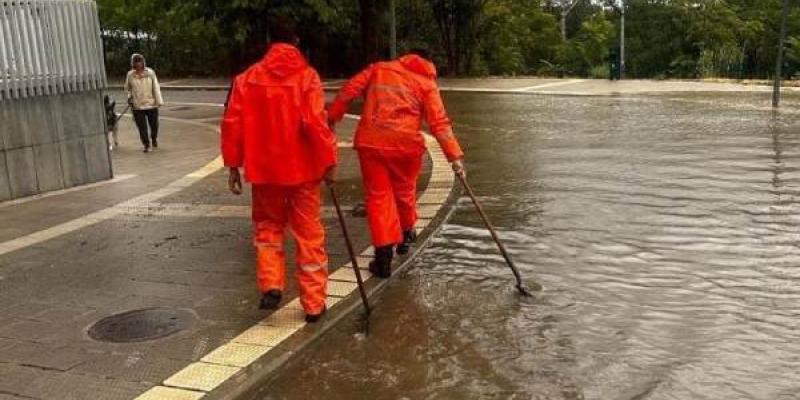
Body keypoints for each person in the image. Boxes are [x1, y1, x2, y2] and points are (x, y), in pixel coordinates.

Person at [221, 21, 337, 323]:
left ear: (269, 41)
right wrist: (329, 161)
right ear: (296, 41)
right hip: (304, 172)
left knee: (268, 228)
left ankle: (271, 284)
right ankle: (313, 304)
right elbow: (315, 123)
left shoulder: (247, 79)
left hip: (265, 172)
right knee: (309, 236)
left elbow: (232, 123)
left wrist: (233, 165)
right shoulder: (307, 78)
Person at [328, 49, 465, 279]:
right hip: (406, 147)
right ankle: (406, 231)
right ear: (428, 62)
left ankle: (383, 255)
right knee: (404, 190)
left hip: (372, 143)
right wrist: (455, 158)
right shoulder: (426, 82)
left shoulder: (378, 69)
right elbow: (438, 122)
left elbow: (350, 89)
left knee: (379, 197)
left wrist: (333, 116)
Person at [125, 53, 163, 153]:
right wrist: (129, 98)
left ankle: (153, 138)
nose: (138, 64)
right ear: (133, 63)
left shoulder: (150, 72)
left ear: (143, 62)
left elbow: (156, 87)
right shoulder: (130, 75)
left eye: (139, 61)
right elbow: (127, 89)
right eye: (136, 61)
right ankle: (146, 144)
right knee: (142, 128)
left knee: (154, 125)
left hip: (151, 104)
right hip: (138, 106)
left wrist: (159, 101)